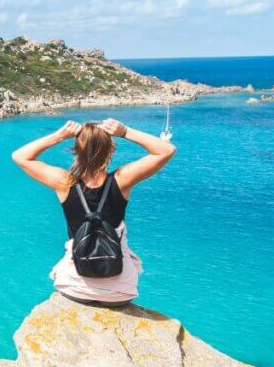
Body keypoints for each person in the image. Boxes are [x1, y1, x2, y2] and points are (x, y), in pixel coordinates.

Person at [11, 118, 176, 307]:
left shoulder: (64, 183)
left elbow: (20, 156)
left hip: (74, 286)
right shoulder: (122, 180)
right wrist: (125, 131)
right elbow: (166, 150)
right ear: (111, 150)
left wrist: (60, 135)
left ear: (76, 150)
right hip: (119, 291)